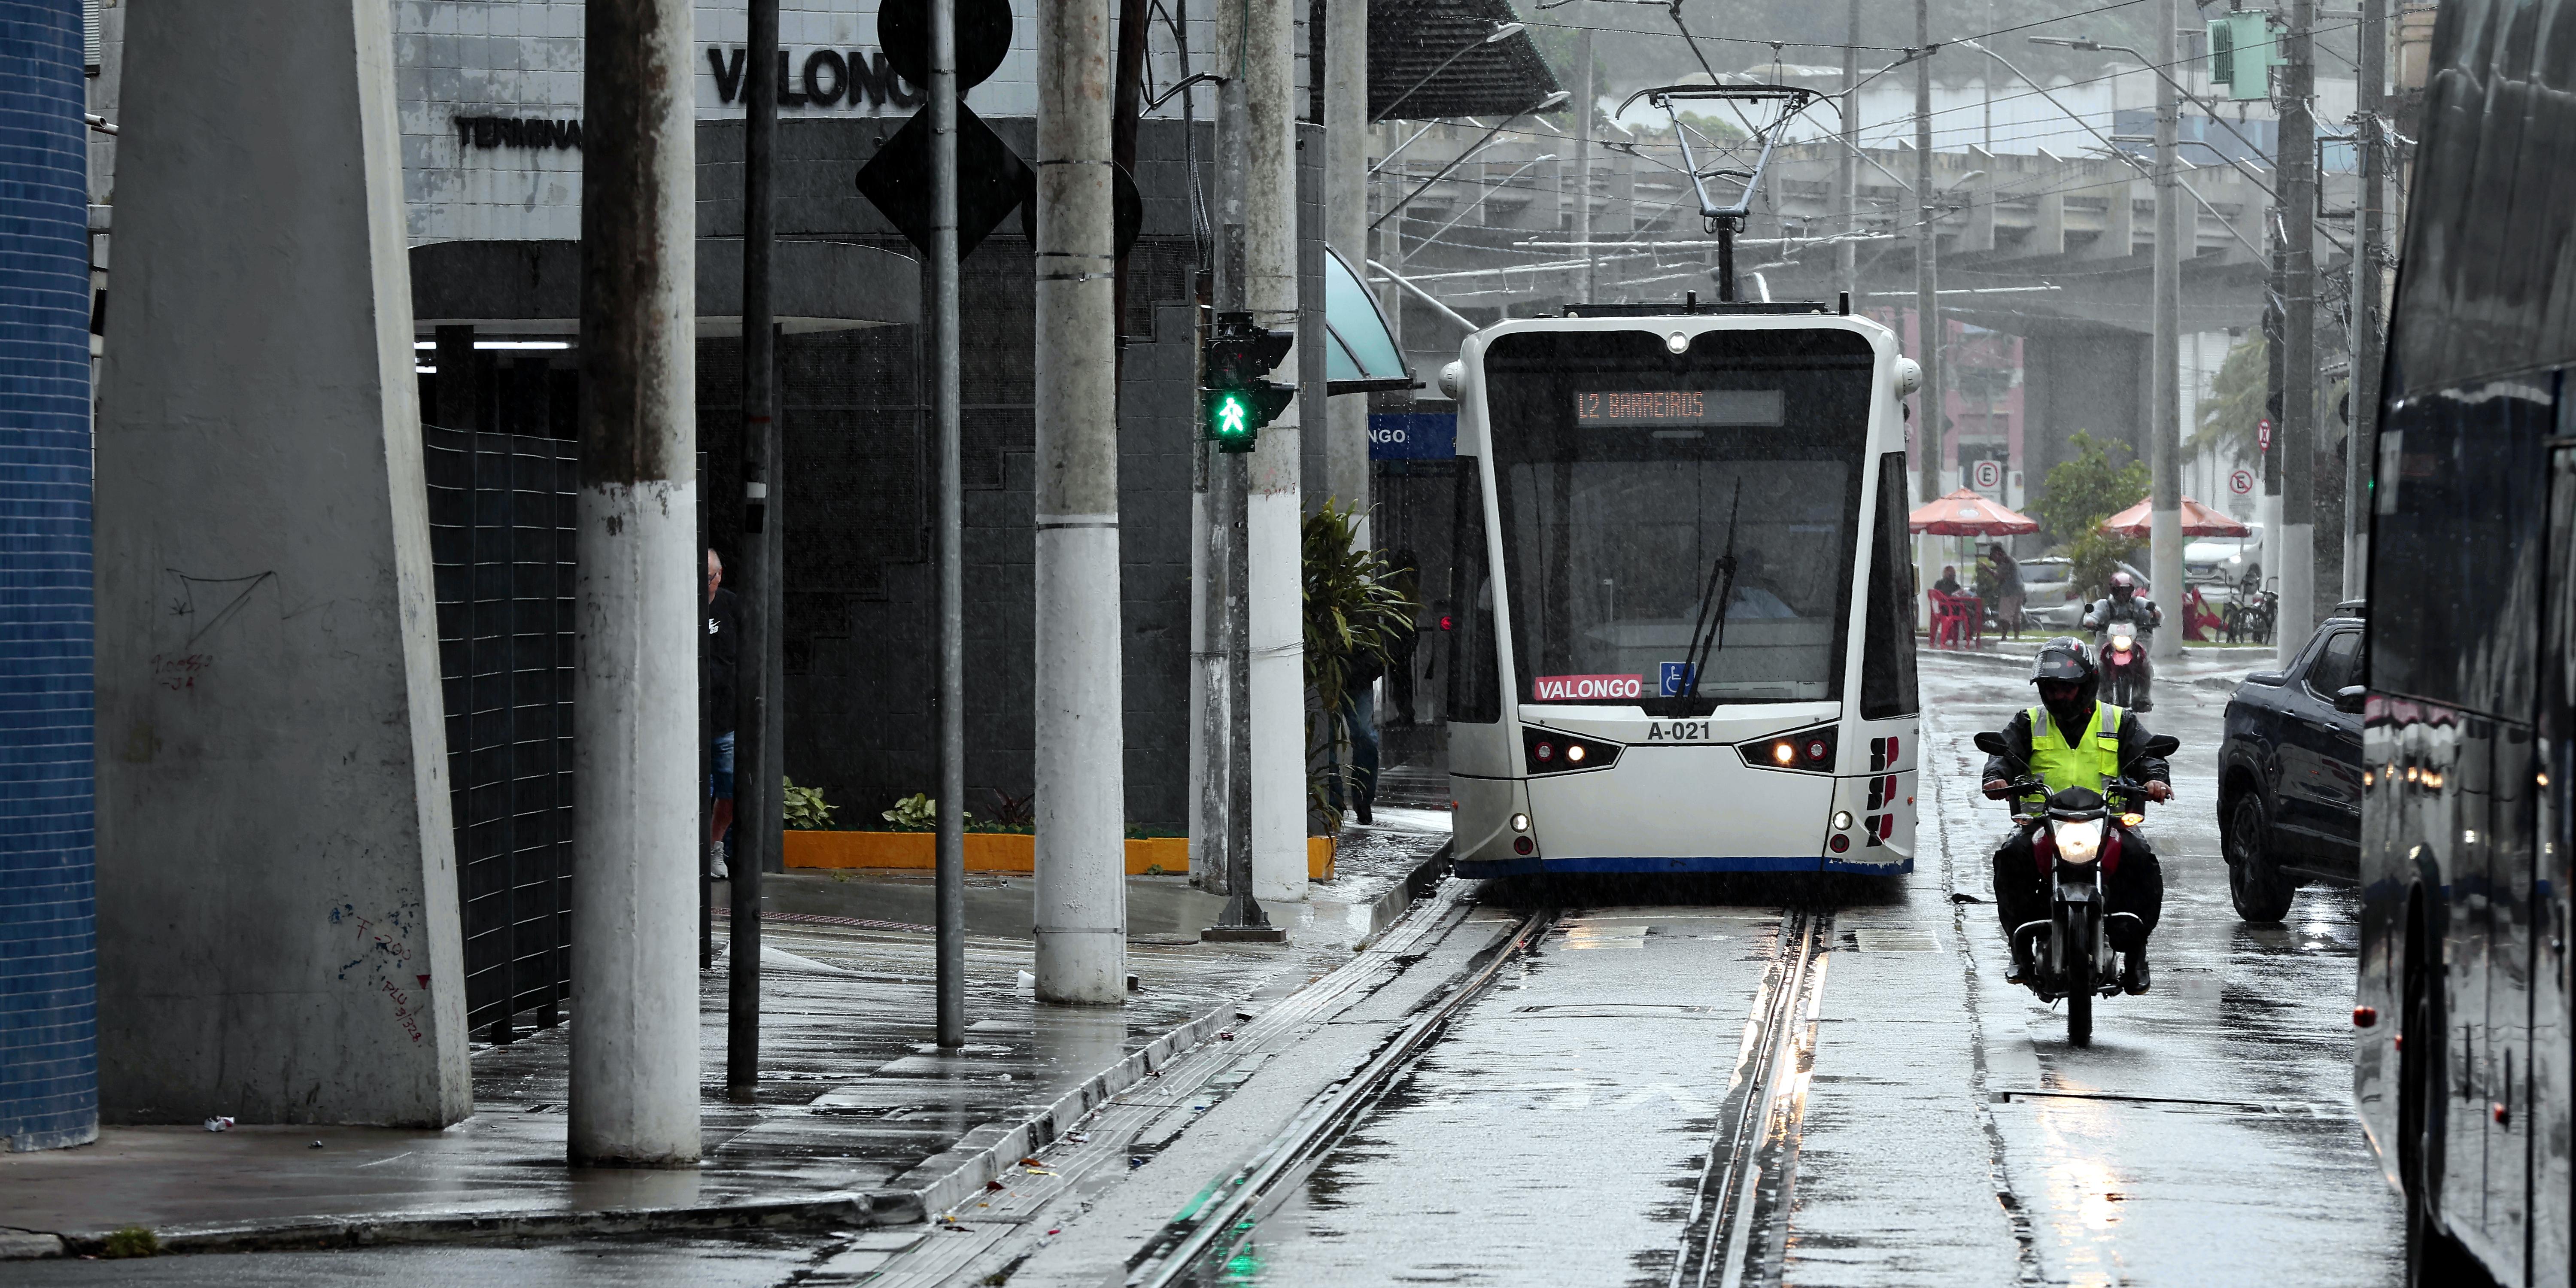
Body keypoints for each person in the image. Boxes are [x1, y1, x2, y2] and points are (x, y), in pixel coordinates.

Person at [1979, 637, 2173, 994]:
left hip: (2107, 822)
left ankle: (2137, 953)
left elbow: (2148, 755)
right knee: (2010, 859)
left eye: (2066, 690)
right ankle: (2019, 949)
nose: (2057, 697)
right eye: (2050, 690)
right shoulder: (2029, 722)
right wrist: (1996, 777)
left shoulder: (2118, 719)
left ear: (2087, 686)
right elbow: (2003, 754)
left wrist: (2156, 779)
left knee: (2142, 862)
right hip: (2044, 823)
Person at [2081, 570, 2163, 711]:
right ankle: (2103, 696)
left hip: (2135, 640)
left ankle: (2143, 698)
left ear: (2132, 590)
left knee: (2145, 664)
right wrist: (2091, 621)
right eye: (2120, 590)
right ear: (2113, 590)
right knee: (2100, 665)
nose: (2123, 594)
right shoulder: (2104, 605)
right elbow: (2093, 614)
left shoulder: (2139, 603)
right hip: (2109, 640)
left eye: (2127, 590)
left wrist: (2154, 614)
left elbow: (2156, 612)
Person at [705, 548, 739, 879]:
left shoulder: (731, 607)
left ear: (720, 575)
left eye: (709, 579)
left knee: (730, 787)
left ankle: (715, 846)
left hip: (725, 717)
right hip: (688, 719)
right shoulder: (681, 605)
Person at [1981, 543, 2026, 641]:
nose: (1994, 561)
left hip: (2010, 591)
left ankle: (2004, 636)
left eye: (1994, 557)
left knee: (2006, 615)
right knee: (2016, 615)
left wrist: (1987, 570)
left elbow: (1999, 577)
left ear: (1998, 554)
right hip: (2020, 590)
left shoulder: (2005, 562)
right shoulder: (2013, 561)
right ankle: (2016, 636)